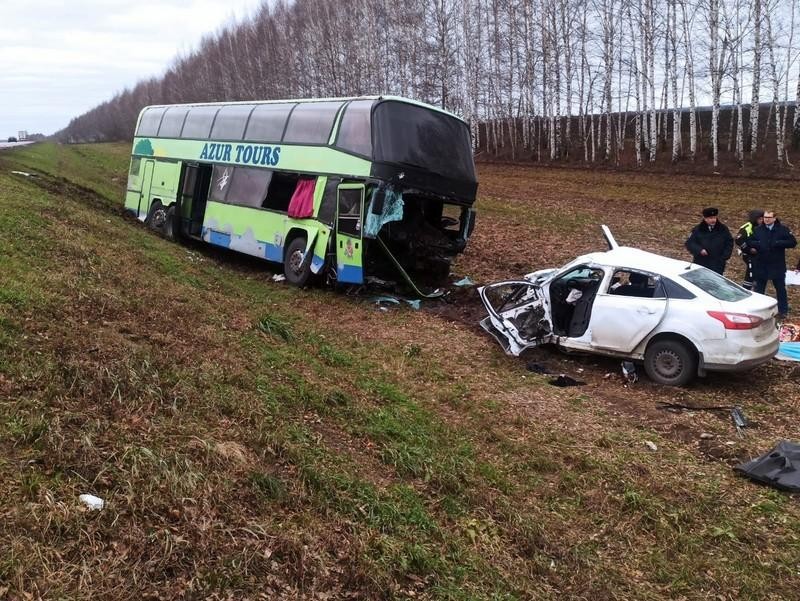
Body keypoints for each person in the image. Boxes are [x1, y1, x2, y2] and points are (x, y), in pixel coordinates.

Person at [749, 210, 797, 319]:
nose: (766, 219)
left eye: (769, 217)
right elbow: (750, 241)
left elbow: (792, 242)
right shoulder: (758, 230)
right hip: (761, 264)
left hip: (777, 265)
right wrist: (759, 244)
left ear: (774, 218)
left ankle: (783, 310)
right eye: (765, 217)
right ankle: (758, 310)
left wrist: (778, 243)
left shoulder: (782, 230)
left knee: (780, 289)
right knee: (759, 289)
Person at [685, 207, 734, 275]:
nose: (713, 220)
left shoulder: (723, 229)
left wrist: (724, 257)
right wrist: (699, 250)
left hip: (717, 264)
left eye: (714, 218)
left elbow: (729, 242)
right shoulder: (698, 229)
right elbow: (690, 243)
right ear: (705, 218)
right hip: (701, 262)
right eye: (710, 218)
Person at [734, 209, 764, 289]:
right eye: (760, 219)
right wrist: (749, 249)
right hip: (749, 255)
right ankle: (747, 288)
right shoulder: (747, 227)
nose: (762, 221)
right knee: (751, 272)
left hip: (760, 254)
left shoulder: (763, 227)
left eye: (763, 218)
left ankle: (757, 287)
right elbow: (738, 240)